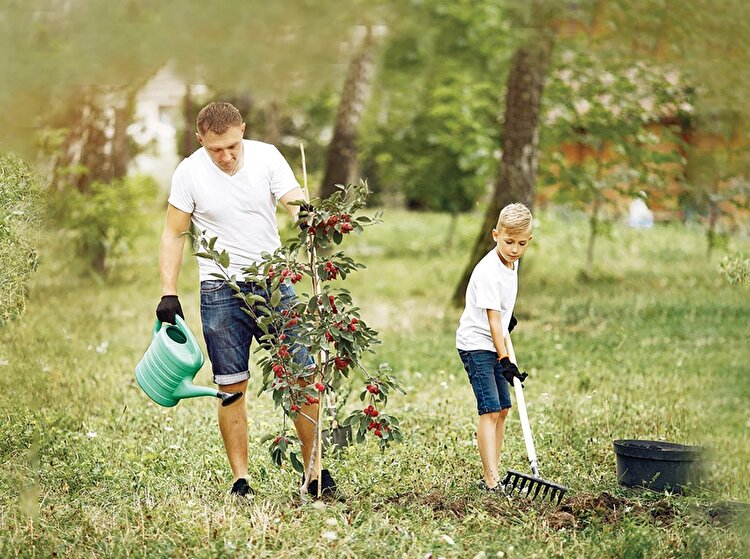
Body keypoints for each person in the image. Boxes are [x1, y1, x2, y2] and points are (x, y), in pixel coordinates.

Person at [156, 101, 335, 497]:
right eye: (215, 149)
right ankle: (241, 480)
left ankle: (314, 473)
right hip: (220, 291)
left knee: (302, 377)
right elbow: (173, 233)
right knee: (230, 386)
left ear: (243, 132)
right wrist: (168, 290)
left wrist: (306, 215)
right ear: (200, 139)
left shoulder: (268, 157)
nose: (226, 156)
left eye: (233, 146)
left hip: (274, 284)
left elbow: (292, 201)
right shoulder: (188, 172)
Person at [455, 203, 533, 491]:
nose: (514, 249)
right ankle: (490, 481)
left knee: (503, 409)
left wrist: (507, 314)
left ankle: (494, 473)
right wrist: (505, 359)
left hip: (494, 338)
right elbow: (491, 320)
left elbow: (501, 309)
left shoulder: (513, 262)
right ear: (495, 234)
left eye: (521, 243)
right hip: (477, 344)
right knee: (489, 410)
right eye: (508, 242)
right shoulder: (488, 270)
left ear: (529, 240)